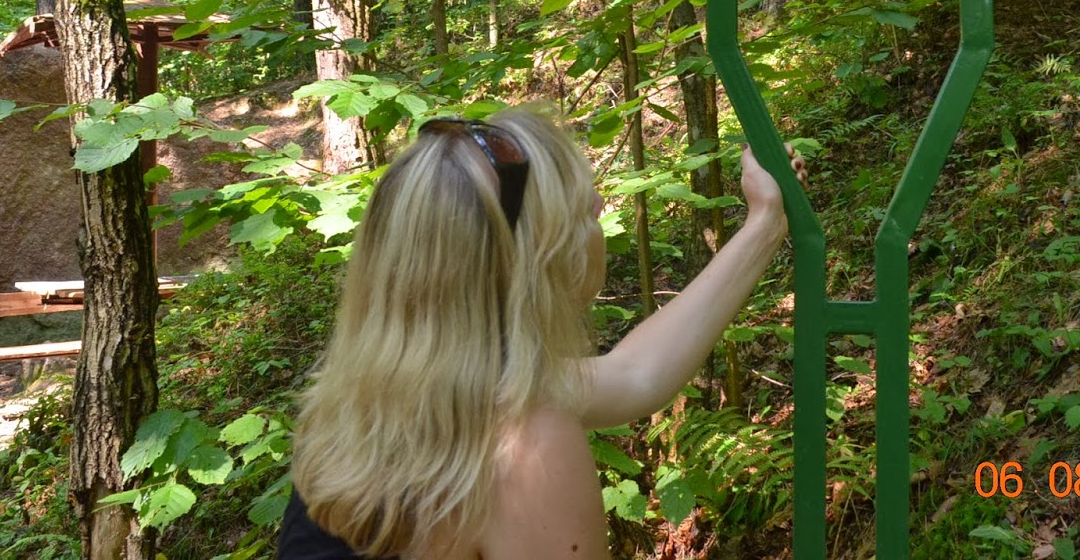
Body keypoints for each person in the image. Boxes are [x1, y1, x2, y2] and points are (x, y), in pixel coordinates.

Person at [278, 107, 805, 560]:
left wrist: (765, 223)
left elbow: (635, 373)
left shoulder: (356, 409)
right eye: (580, 210)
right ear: (539, 261)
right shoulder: (524, 444)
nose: (600, 209)